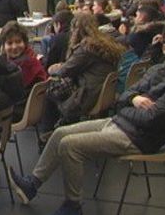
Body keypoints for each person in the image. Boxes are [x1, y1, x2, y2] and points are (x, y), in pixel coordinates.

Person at [9, 25, 165, 215]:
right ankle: (32, 184)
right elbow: (125, 97)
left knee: (69, 145)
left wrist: (127, 106)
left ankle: (73, 207)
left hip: (139, 138)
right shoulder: (157, 70)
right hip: (124, 124)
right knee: (59, 133)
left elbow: (152, 119)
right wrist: (135, 99)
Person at [38, 13, 124, 142]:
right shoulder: (105, 44)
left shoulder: (86, 48)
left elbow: (64, 71)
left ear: (76, 29)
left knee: (49, 90)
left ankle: (47, 135)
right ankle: (64, 126)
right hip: (102, 92)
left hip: (87, 95)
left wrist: (53, 68)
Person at [1, 21, 47, 92]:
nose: (14, 47)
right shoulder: (3, 63)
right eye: (10, 43)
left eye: (18, 41)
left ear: (25, 43)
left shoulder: (30, 63)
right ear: (3, 46)